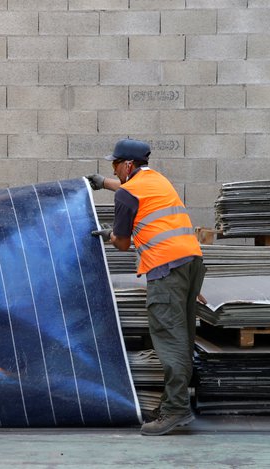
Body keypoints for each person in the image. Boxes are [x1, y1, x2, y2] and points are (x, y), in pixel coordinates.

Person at [86, 138, 206, 436]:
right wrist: (104, 183)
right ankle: (172, 404)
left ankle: (176, 410)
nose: (112, 168)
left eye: (114, 164)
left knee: (169, 339)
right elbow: (130, 189)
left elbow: (124, 244)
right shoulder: (156, 179)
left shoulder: (127, 194)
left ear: (127, 165)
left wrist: (110, 235)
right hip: (191, 263)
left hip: (166, 270)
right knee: (183, 337)